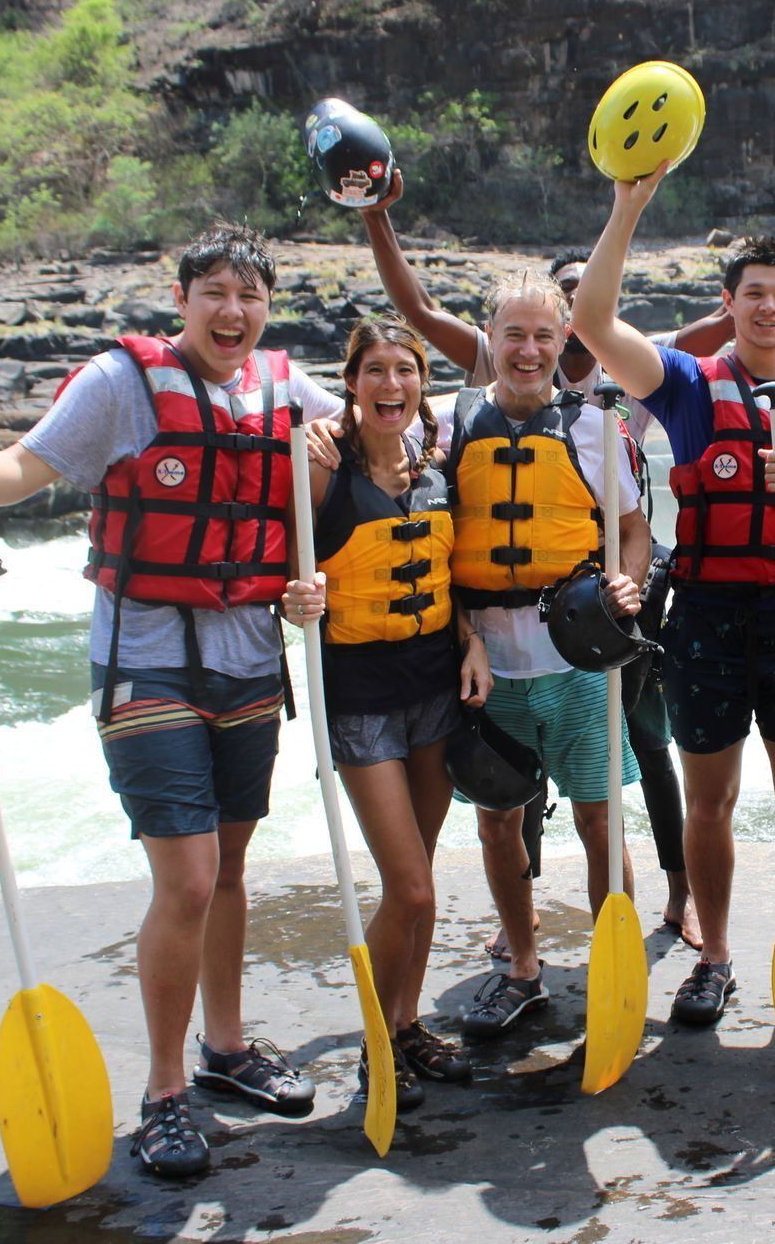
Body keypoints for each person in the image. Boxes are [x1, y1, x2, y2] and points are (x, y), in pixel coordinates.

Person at [0, 223, 339, 1179]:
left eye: (248, 295)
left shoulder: (287, 392)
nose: (231, 312)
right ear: (182, 300)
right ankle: (163, 1092)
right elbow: (23, 471)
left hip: (247, 658)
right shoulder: (121, 385)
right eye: (214, 293)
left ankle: (226, 1049)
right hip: (145, 663)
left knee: (231, 866)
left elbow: (387, 427)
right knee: (189, 878)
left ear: (266, 308)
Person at [357, 168, 775, 953]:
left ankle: (677, 900)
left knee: (643, 757)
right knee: (505, 800)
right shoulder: (478, 385)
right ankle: (524, 937)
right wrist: (377, 218)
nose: (547, 339)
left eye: (572, 310)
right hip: (500, 643)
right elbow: (412, 328)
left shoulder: (628, 375)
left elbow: (742, 319)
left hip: (607, 617)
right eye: (544, 315)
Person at [316, 270, 652, 1038]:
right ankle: (524, 968)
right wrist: (319, 433)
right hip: (486, 672)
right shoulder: (446, 426)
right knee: (499, 825)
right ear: (489, 338)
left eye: (543, 335)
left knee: (601, 824)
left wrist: (625, 587)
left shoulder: (598, 427)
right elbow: (374, 434)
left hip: (576, 666)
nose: (528, 350)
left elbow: (631, 528)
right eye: (513, 334)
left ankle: (614, 966)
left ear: (565, 340)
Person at [572, 160, 775, 1028]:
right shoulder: (688, 387)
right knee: (710, 801)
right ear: (729, 304)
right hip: (706, 617)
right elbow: (590, 323)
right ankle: (716, 955)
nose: (769, 306)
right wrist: (629, 205)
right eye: (754, 294)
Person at [279, 316, 491, 1111]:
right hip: (362, 700)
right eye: (375, 371)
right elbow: (281, 566)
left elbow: (454, 574)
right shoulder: (322, 473)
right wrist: (293, 600)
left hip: (434, 691)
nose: (391, 385)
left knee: (420, 879)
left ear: (421, 385)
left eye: (405, 370)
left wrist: (473, 642)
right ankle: (376, 1036)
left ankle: (406, 1026)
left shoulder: (437, 469)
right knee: (411, 890)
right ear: (353, 383)